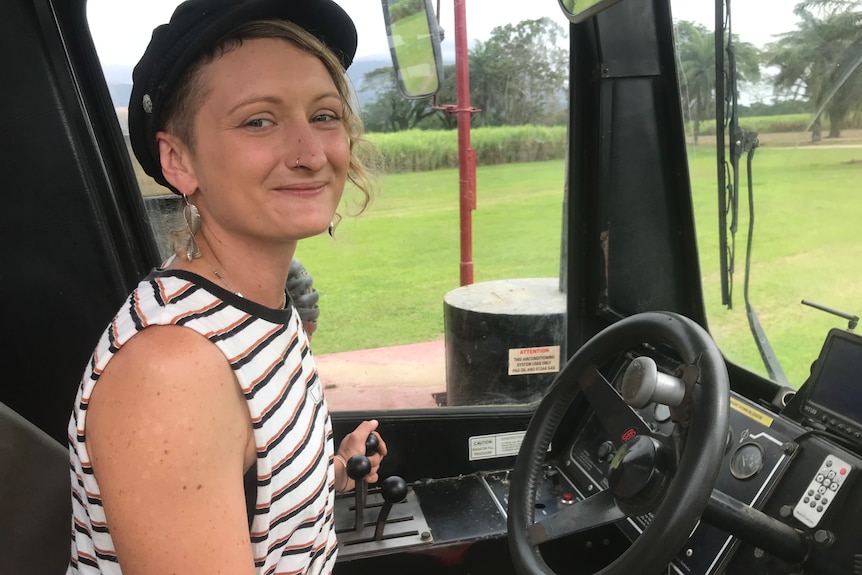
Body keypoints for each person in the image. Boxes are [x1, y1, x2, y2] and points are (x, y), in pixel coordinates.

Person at [67, 0, 385, 573]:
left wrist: (330, 471)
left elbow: (253, 499)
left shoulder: (260, 312)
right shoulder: (174, 371)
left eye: (324, 115)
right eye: (258, 121)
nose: (311, 154)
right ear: (179, 160)